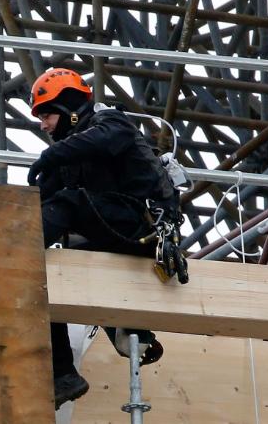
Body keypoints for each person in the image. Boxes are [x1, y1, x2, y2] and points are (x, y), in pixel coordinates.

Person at [26, 68, 167, 409]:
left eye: (46, 115)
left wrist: (49, 157)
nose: (43, 125)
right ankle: (63, 373)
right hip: (112, 230)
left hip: (141, 225)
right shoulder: (69, 157)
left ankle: (126, 324)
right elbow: (42, 203)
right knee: (45, 274)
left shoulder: (111, 123)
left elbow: (100, 143)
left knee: (64, 206)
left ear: (70, 107)